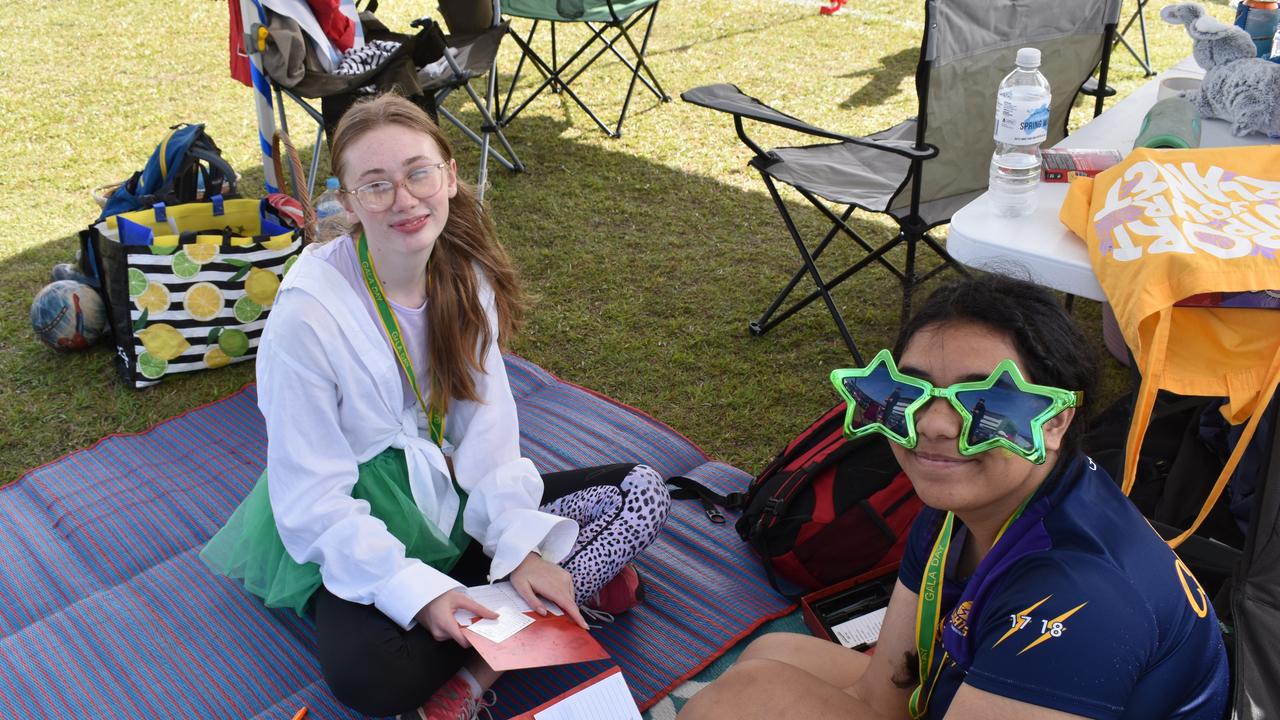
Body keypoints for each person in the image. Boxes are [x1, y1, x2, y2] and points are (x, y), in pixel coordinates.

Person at [201, 93, 671, 720]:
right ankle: (532, 608)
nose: (403, 199)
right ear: (346, 200)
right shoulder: (307, 315)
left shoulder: (462, 274)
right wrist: (421, 597)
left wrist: (520, 545)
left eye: (418, 172)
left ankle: (480, 661)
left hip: (451, 496)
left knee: (639, 491)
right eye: (376, 185)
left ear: (449, 174)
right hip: (356, 512)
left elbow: (487, 431)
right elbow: (312, 495)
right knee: (376, 680)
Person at [680, 275, 1229, 720]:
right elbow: (887, 691)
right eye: (912, 390)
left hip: (1057, 661)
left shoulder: (1077, 597)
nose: (935, 425)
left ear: (1056, 421)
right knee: (772, 656)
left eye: (986, 399)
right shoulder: (967, 505)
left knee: (747, 697)